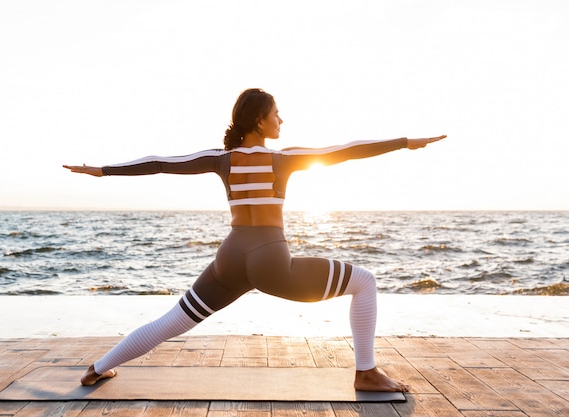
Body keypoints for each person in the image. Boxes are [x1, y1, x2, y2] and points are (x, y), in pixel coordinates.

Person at [63, 88, 446, 392]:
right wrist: (405, 142)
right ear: (260, 121)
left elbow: (161, 162)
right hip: (270, 259)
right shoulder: (284, 158)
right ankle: (366, 372)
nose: (282, 119)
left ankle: (98, 368)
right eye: (277, 113)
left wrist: (103, 171)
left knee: (172, 321)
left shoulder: (222, 159)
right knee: (364, 282)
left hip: (230, 258)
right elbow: (345, 151)